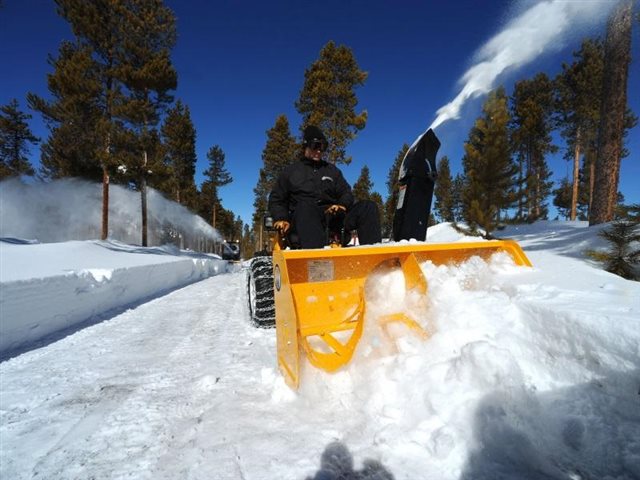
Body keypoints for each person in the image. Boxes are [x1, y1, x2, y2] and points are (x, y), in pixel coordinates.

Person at [268, 125, 382, 249]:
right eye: (315, 146)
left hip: (332, 219)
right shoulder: (291, 172)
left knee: (368, 207)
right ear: (306, 145)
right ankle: (316, 261)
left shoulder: (332, 171)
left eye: (323, 147)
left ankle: (375, 260)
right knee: (306, 206)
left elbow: (346, 192)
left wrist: (342, 205)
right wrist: (281, 218)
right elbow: (277, 199)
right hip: (303, 220)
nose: (319, 151)